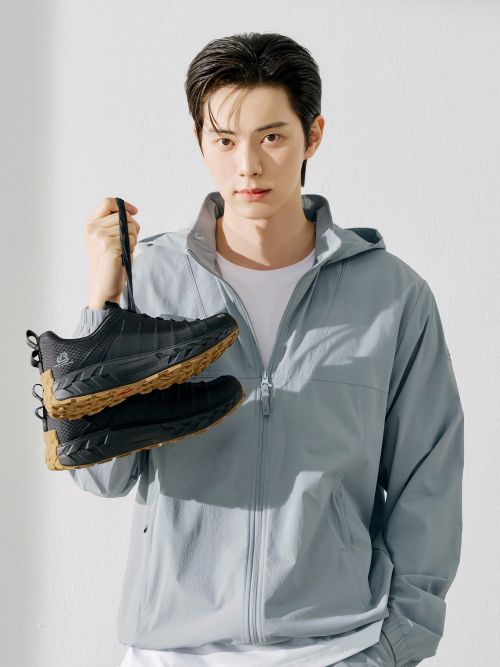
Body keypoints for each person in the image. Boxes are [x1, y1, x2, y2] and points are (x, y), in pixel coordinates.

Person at [70, 32, 464, 667]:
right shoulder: (152, 280)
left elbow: (430, 482)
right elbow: (100, 476)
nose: (247, 165)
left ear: (313, 136)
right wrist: (104, 304)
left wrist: (398, 644)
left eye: (272, 137)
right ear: (199, 141)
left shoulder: (393, 296)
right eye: (225, 140)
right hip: (171, 651)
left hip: (337, 649)